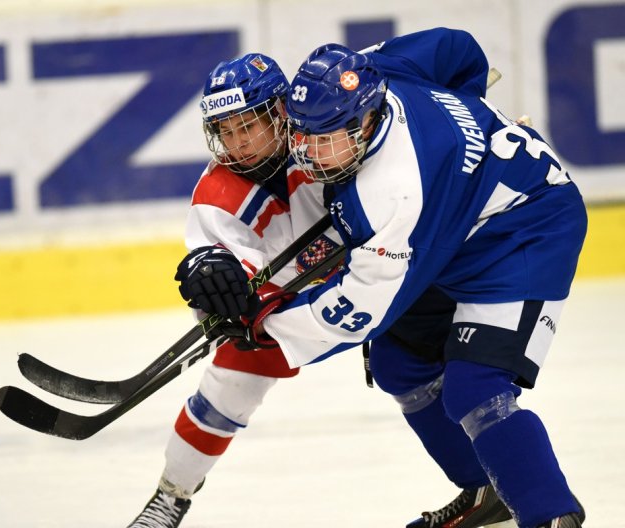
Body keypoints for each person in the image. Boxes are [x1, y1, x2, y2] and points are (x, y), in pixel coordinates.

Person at [238, 28, 588, 528]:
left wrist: (266, 324)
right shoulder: (379, 74)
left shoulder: (393, 192)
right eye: (302, 134)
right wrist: (470, 119)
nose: (309, 153)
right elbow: (456, 47)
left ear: (364, 124)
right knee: (399, 361)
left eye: (326, 139)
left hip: (526, 229)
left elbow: (361, 310)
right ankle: (486, 491)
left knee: (476, 386)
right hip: (456, 231)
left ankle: (549, 515)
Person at [126, 52, 340, 528]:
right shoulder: (217, 192)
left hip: (371, 275)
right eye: (225, 130)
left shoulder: (329, 129)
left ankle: (485, 486)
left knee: (421, 363)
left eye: (249, 126)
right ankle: (170, 496)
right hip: (287, 301)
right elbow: (216, 259)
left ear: (281, 113)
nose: (237, 143)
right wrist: (215, 278)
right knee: (228, 385)